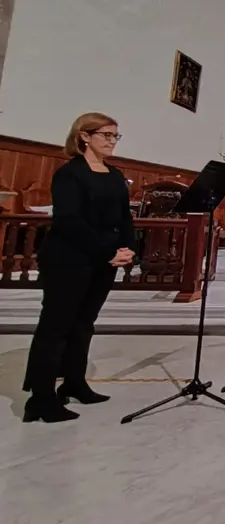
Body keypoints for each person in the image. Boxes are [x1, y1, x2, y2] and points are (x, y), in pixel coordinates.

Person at [22, 113, 136, 423]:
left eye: (116, 136)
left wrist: (128, 248)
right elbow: (70, 222)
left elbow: (124, 217)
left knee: (84, 322)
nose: (112, 141)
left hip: (103, 261)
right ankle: (41, 398)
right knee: (56, 327)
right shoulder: (69, 174)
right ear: (84, 136)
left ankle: (74, 382)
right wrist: (107, 252)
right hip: (69, 260)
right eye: (106, 135)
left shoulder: (114, 174)